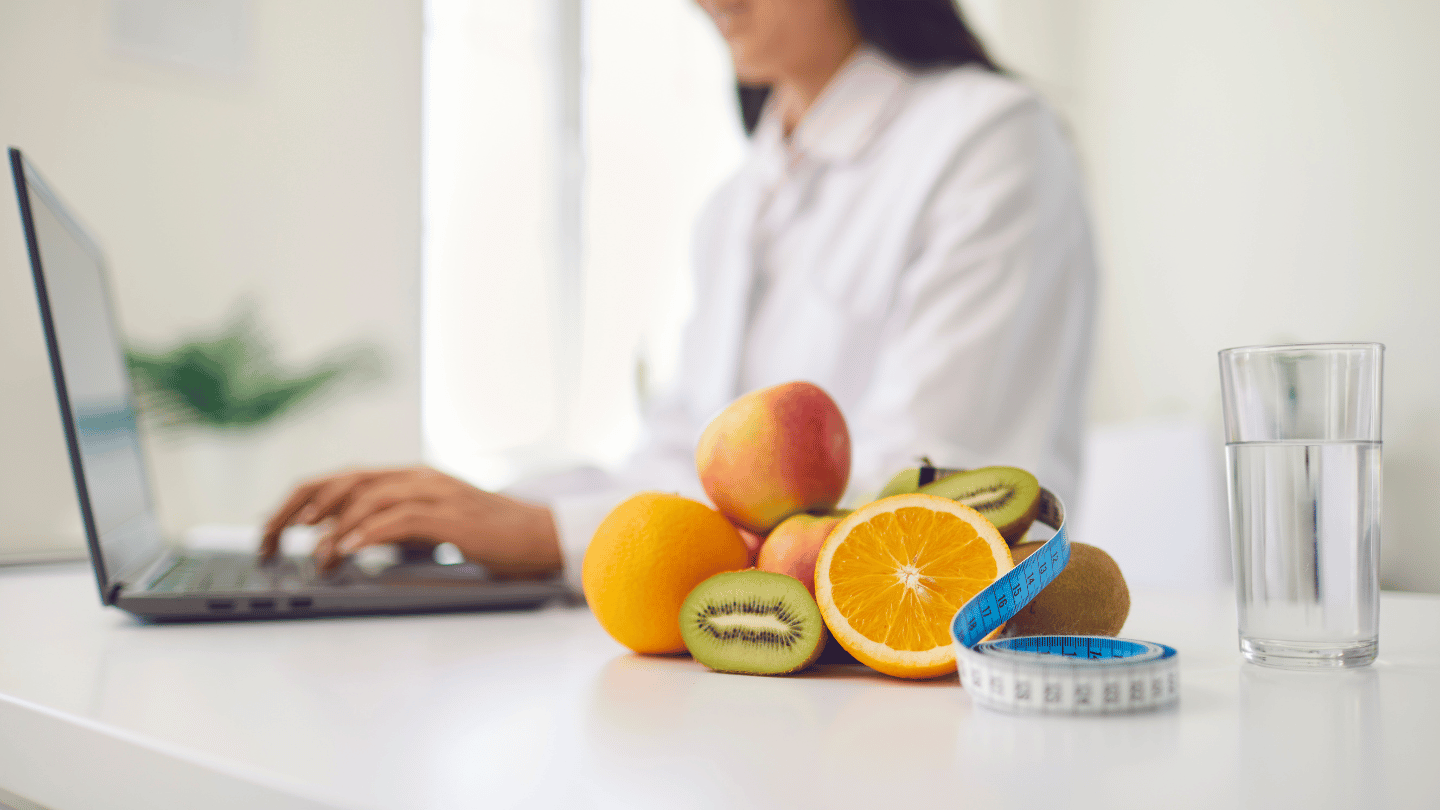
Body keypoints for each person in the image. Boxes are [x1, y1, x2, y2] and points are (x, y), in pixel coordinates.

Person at [260, 0, 1097, 594]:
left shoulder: (988, 140)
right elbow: (675, 461)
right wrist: (475, 509)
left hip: (923, 665)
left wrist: (547, 538)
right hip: (759, 677)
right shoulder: (739, 200)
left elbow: (934, 486)